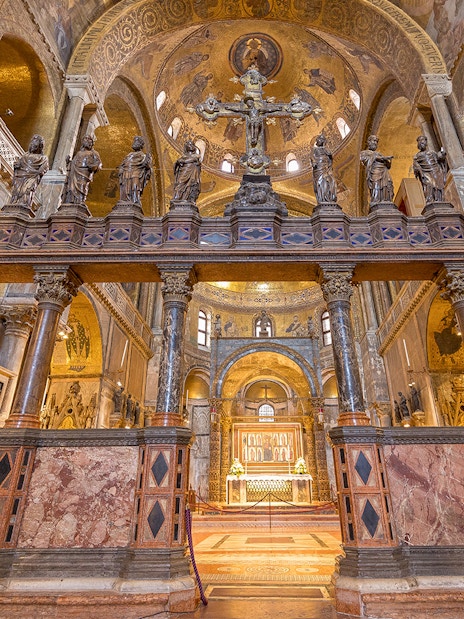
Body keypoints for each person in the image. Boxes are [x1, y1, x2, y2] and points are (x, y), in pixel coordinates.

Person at [10, 134, 49, 210]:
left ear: (40, 147)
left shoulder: (43, 158)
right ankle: (14, 203)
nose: (32, 147)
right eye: (32, 144)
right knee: (16, 191)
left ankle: (23, 206)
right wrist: (17, 166)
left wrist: (37, 172)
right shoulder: (25, 155)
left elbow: (43, 169)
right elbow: (19, 165)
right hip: (20, 176)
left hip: (32, 177)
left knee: (27, 192)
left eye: (35, 146)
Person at [61, 134, 102, 204]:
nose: (87, 140)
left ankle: (79, 202)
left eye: (89, 139)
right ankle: (70, 202)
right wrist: (69, 162)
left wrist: (94, 166)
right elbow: (74, 163)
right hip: (74, 173)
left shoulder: (94, 153)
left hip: (84, 173)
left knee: (82, 187)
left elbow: (99, 163)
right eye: (85, 139)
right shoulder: (79, 153)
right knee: (71, 188)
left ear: (92, 142)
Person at [360, 134, 394, 205]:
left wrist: (388, 160)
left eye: (376, 141)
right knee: (376, 186)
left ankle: (386, 201)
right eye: (374, 141)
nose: (375, 143)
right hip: (375, 172)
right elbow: (364, 160)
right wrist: (379, 158)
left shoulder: (379, 154)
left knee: (388, 185)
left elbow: (388, 166)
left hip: (384, 172)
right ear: (369, 142)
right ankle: (376, 202)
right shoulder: (364, 153)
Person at [413, 135, 447, 204]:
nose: (421, 142)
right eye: (420, 141)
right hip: (426, 173)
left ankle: (439, 200)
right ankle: (430, 200)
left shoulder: (432, 152)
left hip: (436, 170)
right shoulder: (417, 156)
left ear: (426, 142)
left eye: (423, 141)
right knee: (429, 185)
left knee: (438, 186)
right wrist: (418, 170)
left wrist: (442, 154)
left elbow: (439, 158)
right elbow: (415, 165)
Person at [118, 136, 152, 203]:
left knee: (135, 187)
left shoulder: (143, 156)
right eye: (134, 142)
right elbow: (123, 164)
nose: (135, 143)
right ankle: (125, 200)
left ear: (140, 145)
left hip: (136, 173)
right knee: (125, 188)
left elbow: (147, 167)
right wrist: (121, 169)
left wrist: (147, 162)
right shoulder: (129, 155)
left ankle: (135, 200)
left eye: (137, 142)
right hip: (126, 173)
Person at [311, 134, 337, 204]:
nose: (319, 141)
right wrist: (313, 162)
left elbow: (330, 158)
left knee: (328, 181)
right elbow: (312, 156)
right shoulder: (315, 149)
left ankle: (328, 198)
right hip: (318, 168)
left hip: (326, 167)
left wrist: (329, 166)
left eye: (321, 140)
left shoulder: (326, 149)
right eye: (318, 140)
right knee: (319, 182)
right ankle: (321, 198)